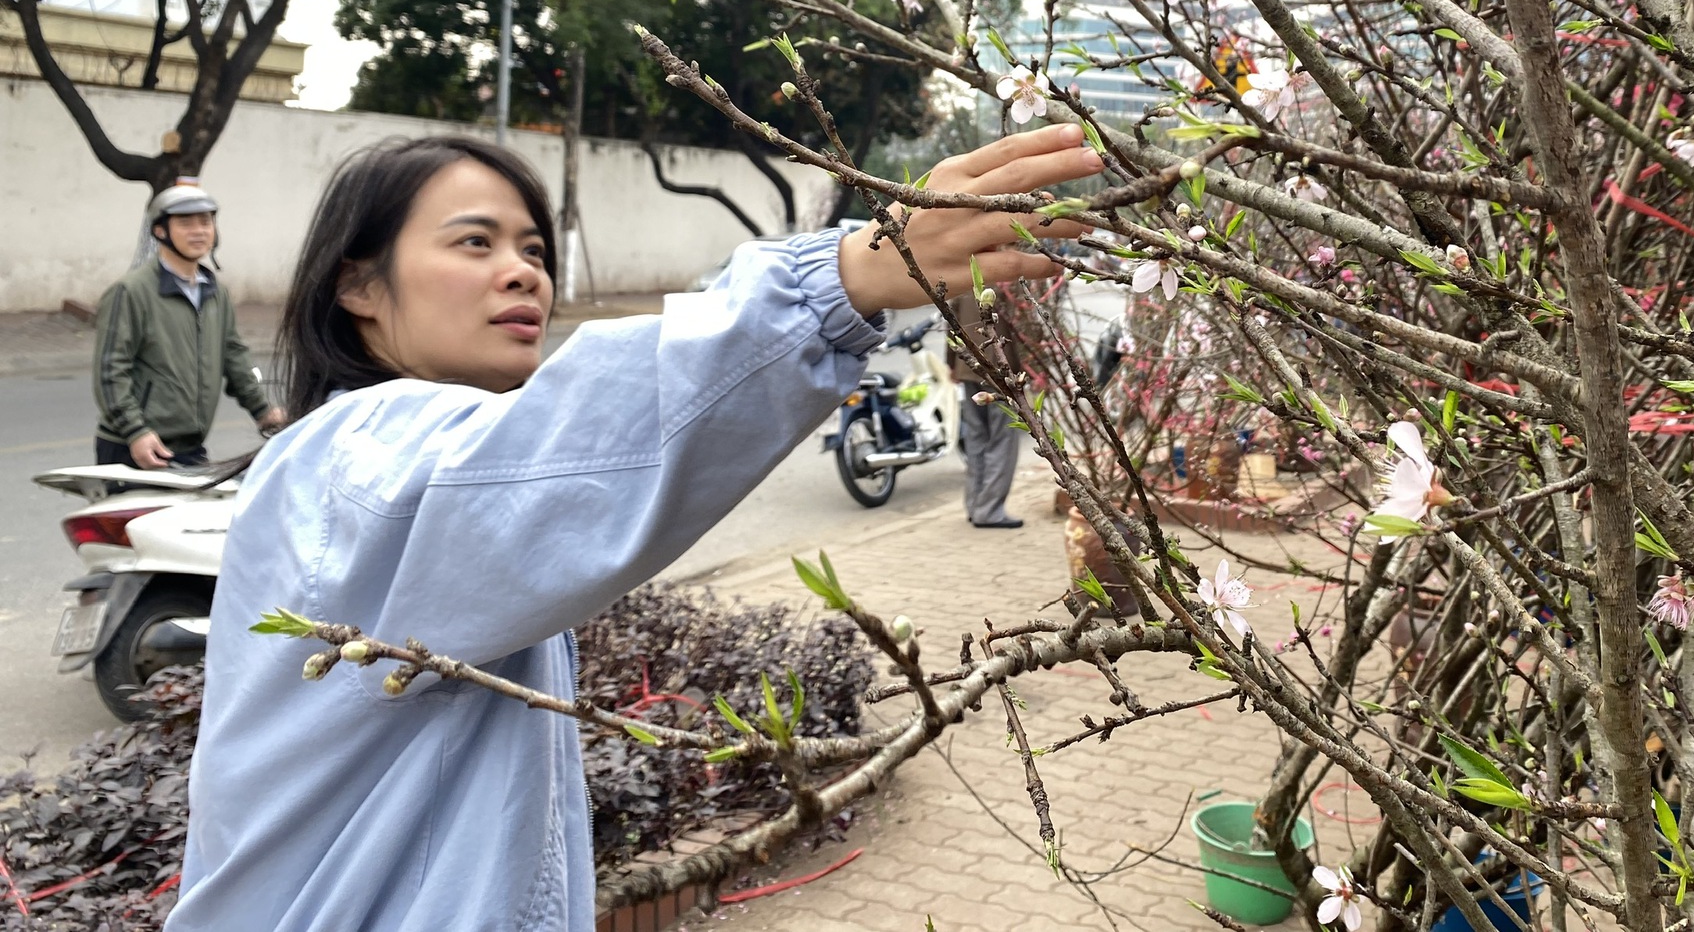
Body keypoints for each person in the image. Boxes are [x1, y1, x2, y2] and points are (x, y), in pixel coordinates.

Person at [166, 126, 1098, 930]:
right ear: (359, 286)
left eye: (533, 248)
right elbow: (575, 447)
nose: (521, 271)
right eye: (474, 241)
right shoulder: (361, 459)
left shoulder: (360, 453)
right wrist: (844, 278)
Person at [92, 182, 286, 469]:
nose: (199, 231)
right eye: (185, 223)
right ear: (160, 231)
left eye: (206, 222)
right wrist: (135, 431)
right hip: (134, 446)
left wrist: (263, 409)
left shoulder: (215, 293)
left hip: (190, 447)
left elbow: (234, 355)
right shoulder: (131, 292)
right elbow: (110, 370)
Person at [948, 291, 1026, 529]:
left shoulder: (961, 280)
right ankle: (989, 509)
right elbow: (1022, 329)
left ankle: (975, 504)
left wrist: (952, 363)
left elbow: (949, 320)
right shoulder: (1005, 281)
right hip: (999, 371)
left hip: (967, 365)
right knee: (1003, 440)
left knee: (976, 438)